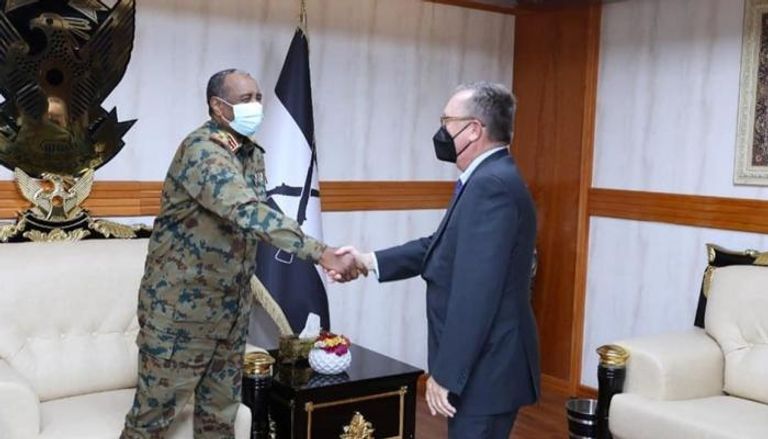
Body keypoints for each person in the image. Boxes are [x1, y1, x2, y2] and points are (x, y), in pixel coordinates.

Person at [120, 68, 359, 438]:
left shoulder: (249, 152)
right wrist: (321, 253)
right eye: (246, 99)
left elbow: (255, 218)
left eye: (258, 97)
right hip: (182, 315)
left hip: (229, 310)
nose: (256, 105)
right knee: (151, 422)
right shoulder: (203, 150)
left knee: (219, 419)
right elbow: (246, 210)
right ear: (219, 107)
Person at [337, 82, 540, 439]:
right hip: (486, 364)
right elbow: (440, 247)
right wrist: (367, 260)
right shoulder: (487, 178)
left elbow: (476, 292)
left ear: (473, 129)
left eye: (447, 121)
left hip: (486, 369)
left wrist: (446, 373)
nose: (441, 130)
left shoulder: (491, 185)